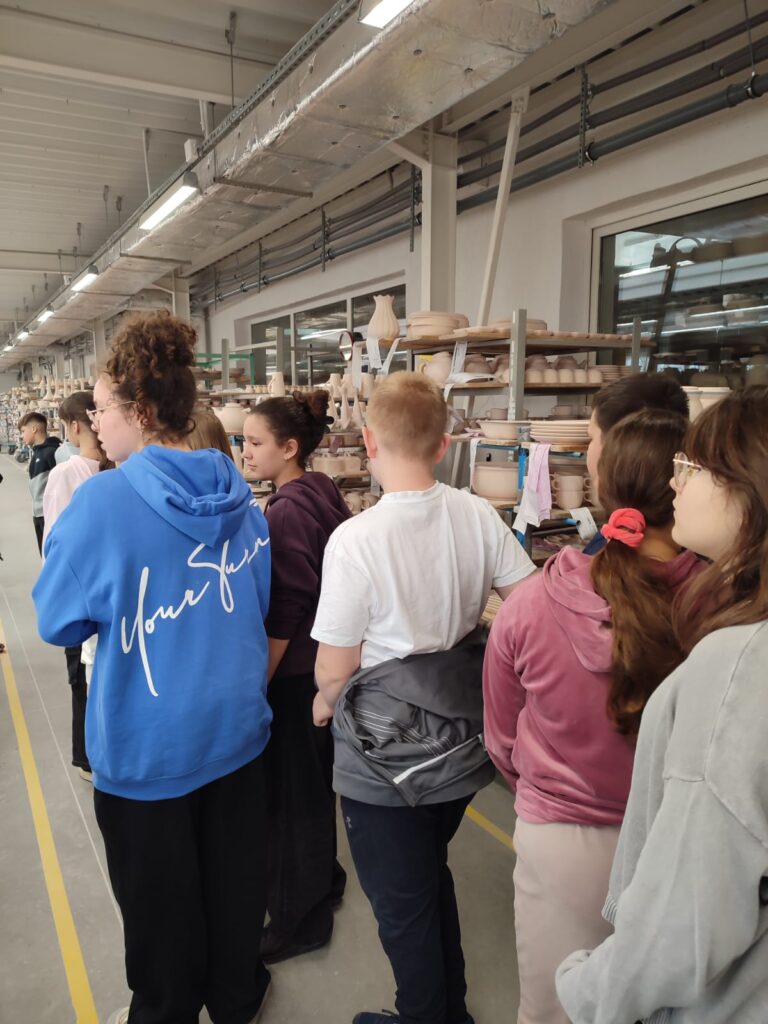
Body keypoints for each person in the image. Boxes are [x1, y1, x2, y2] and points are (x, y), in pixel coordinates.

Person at [32, 311, 273, 1024]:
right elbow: (257, 604)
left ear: (140, 410)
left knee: (161, 920)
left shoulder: (102, 503)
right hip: (237, 737)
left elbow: (57, 619)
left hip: (149, 753)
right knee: (234, 898)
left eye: (104, 407)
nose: (95, 422)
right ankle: (235, 1000)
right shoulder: (241, 498)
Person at [310, 371, 537, 1024]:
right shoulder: (476, 513)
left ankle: (423, 1016)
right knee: (428, 876)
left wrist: (325, 702)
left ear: (368, 441)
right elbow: (531, 605)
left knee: (402, 906)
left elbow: (335, 668)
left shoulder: (357, 539)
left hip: (387, 758)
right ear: (443, 445)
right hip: (461, 742)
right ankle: (447, 1012)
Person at [556, 385, 768, 1023]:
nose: (676, 481)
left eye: (693, 466)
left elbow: (685, 924)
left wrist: (586, 988)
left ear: (748, 488)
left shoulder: (736, 666)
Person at [483, 408, 702, 1024]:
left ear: (600, 487)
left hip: (563, 837)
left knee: (555, 1009)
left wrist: (544, 787)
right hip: (681, 838)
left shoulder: (532, 604)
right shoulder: (719, 606)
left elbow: (501, 738)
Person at [242, 390, 351, 964]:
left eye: (254, 442)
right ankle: (324, 881)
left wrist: (258, 679)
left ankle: (300, 920)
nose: (245, 452)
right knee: (312, 787)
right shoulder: (321, 489)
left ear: (288, 448)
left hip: (297, 671)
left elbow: (287, 607)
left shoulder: (286, 511)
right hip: (324, 666)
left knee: (290, 800)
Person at [42, 390, 113, 783]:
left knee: (80, 676)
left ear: (74, 426)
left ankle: (88, 757)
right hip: (115, 594)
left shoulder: (66, 473)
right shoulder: (117, 467)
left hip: (82, 597)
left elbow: (54, 545)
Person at [583, 373, 689, 554]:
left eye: (591, 438)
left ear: (619, 446)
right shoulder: (701, 552)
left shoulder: (600, 557)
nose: (588, 449)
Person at [19, 410, 61, 553]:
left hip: (48, 515)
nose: (21, 436)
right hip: (38, 514)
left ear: (34, 429)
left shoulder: (51, 452)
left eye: (23, 431)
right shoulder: (37, 452)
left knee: (51, 554)